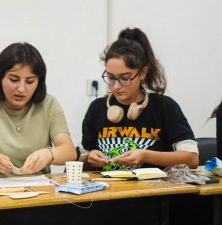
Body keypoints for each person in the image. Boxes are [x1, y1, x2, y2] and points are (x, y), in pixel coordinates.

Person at [80, 27, 199, 171]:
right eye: (111, 78)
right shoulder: (97, 108)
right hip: (108, 191)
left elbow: (192, 159)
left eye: (125, 78)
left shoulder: (164, 107)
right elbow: (82, 160)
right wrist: (89, 157)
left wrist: (145, 156)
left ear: (143, 72)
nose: (116, 86)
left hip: (153, 191)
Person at [0, 42, 76, 178]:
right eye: (14, 80)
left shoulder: (49, 105)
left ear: (39, 82)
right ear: (0, 77)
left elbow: (69, 151)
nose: (21, 89)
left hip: (41, 193)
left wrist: (49, 154)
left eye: (30, 81)